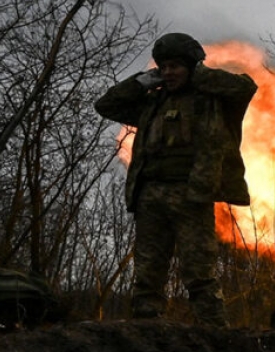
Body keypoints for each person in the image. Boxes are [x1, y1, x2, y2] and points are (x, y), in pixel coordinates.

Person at [95, 33, 257, 327]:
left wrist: (200, 74)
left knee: (199, 273)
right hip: (150, 196)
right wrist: (142, 82)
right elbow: (105, 105)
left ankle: (216, 337)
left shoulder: (212, 101)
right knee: (147, 274)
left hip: (191, 196)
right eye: (164, 67)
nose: (168, 72)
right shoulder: (152, 103)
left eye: (175, 66)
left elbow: (245, 87)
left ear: (191, 66)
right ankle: (149, 333)